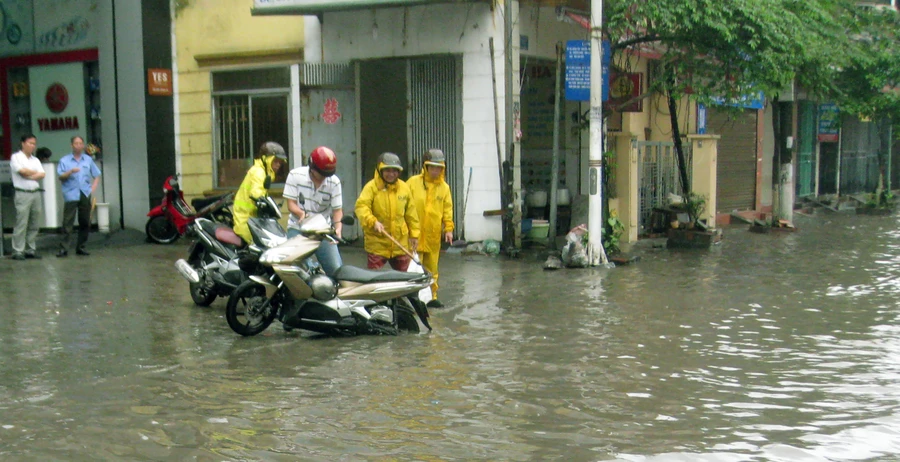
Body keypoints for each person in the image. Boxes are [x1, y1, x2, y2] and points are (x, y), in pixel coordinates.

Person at [283, 146, 344, 276]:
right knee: (298, 270)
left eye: (327, 175)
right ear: (312, 167)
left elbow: (337, 210)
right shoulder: (295, 175)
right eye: (321, 174)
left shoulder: (334, 182)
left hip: (323, 231)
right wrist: (301, 213)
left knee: (336, 269)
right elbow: (291, 204)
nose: (323, 177)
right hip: (298, 228)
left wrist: (338, 228)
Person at [355, 152, 419, 271]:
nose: (391, 174)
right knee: (375, 280)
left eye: (394, 171)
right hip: (377, 243)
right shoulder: (371, 187)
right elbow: (361, 207)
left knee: (404, 280)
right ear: (380, 170)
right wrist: (372, 221)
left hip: (400, 243)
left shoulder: (404, 188)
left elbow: (411, 214)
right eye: (387, 170)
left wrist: (414, 234)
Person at [409, 149, 455, 308]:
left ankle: (431, 297)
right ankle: (413, 298)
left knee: (432, 269)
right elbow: (405, 206)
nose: (436, 171)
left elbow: (447, 209)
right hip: (414, 235)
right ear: (425, 166)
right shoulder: (413, 183)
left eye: (439, 167)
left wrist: (448, 229)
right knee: (414, 268)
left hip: (433, 235)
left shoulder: (444, 188)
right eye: (432, 167)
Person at [232, 141, 287, 243]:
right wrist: (265, 204)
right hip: (245, 218)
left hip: (252, 216)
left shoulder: (264, 172)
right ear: (266, 159)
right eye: (275, 161)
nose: (278, 165)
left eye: (280, 162)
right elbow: (257, 194)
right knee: (255, 244)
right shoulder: (258, 172)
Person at [56, 136, 102, 257]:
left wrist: (93, 187)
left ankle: (81, 247)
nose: (78, 145)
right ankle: (64, 248)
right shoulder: (64, 160)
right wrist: (70, 172)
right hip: (70, 194)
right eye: (76, 143)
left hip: (84, 193)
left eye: (80, 143)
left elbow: (97, 174)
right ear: (71, 145)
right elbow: (60, 177)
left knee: (85, 221)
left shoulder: (88, 160)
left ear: (83, 145)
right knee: (67, 223)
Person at [9, 134, 45, 260]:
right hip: (22, 193)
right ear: (23, 143)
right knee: (22, 222)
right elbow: (21, 171)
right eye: (30, 143)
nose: (32, 146)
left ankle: (31, 249)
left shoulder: (35, 160)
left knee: (34, 222)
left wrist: (30, 173)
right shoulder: (16, 157)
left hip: (35, 193)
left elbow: (42, 174)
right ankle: (18, 250)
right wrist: (34, 173)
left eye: (34, 143)